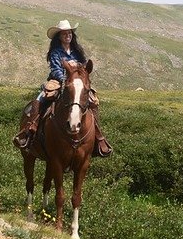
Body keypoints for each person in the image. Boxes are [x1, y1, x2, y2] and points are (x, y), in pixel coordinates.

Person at [12, 19, 112, 157]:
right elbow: (55, 69)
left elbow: (83, 68)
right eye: (64, 34)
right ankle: (30, 130)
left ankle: (98, 137)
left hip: (76, 82)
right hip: (58, 81)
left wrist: (79, 79)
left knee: (93, 102)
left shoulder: (77, 52)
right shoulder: (56, 52)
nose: (67, 36)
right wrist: (65, 80)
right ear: (59, 36)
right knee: (40, 98)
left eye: (69, 33)